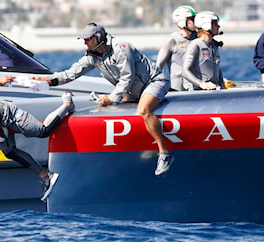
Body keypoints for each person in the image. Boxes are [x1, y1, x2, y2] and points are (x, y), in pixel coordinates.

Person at [33, 22, 174, 176]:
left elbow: (127, 78)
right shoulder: (92, 57)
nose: (85, 42)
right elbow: (71, 73)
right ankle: (145, 147)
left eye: (88, 39)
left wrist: (112, 98)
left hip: (154, 82)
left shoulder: (121, 48)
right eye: (84, 40)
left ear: (99, 37)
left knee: (144, 110)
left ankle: (164, 153)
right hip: (134, 90)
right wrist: (49, 81)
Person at [156, 5, 197, 91]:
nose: (195, 22)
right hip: (178, 85)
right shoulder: (172, 40)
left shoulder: (198, 39)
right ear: (182, 22)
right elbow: (159, 65)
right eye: (192, 19)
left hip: (195, 82)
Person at [182, 11, 224, 90]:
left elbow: (217, 67)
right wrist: (201, 84)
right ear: (206, 24)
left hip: (211, 90)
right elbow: (185, 71)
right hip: (197, 93)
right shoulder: (195, 45)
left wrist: (222, 84)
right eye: (215, 23)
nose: (218, 26)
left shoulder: (214, 45)